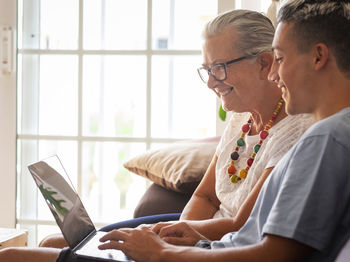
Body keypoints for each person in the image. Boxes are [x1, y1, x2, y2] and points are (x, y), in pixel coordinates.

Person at [1, 2, 333, 261]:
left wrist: (170, 245)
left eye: (220, 68)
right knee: (54, 241)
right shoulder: (240, 120)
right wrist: (174, 232)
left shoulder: (301, 133)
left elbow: (242, 229)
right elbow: (205, 196)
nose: (212, 82)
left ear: (264, 63)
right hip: (196, 241)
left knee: (14, 256)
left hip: (215, 247)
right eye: (207, 70)